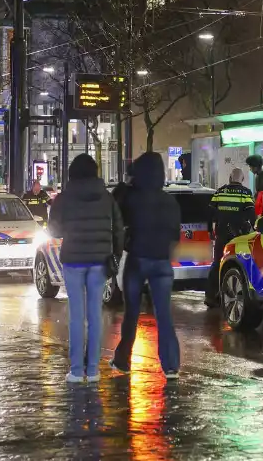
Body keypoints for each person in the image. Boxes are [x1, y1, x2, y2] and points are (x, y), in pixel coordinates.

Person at [47, 154, 123, 383]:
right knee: (95, 315)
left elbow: (54, 231)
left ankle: (76, 370)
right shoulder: (107, 197)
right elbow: (119, 229)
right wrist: (115, 256)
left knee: (77, 317)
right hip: (99, 261)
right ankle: (93, 371)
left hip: (73, 261)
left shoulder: (64, 198)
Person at [112, 152, 183, 379]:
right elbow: (176, 234)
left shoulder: (133, 197)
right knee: (164, 315)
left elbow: (117, 214)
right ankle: (171, 366)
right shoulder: (170, 201)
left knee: (132, 313)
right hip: (162, 262)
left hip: (138, 259)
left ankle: (123, 360)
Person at [205, 168, 254, 307]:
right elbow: (251, 215)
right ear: (242, 179)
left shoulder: (220, 192)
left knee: (217, 264)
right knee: (238, 266)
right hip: (238, 236)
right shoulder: (245, 193)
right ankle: (234, 294)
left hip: (222, 234)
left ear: (230, 178)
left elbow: (209, 213)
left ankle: (210, 296)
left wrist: (210, 230)